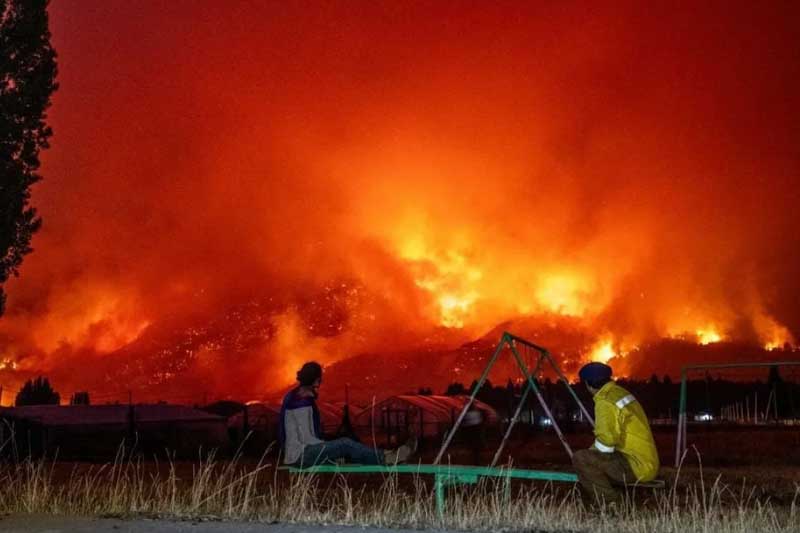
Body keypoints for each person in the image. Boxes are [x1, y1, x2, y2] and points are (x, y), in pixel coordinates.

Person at [279, 361, 416, 467]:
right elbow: (307, 439)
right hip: (300, 455)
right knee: (345, 444)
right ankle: (387, 458)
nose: (319, 384)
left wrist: (330, 450)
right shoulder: (300, 402)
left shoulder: (295, 396)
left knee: (344, 445)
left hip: (299, 453)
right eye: (319, 380)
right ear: (315, 380)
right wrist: (330, 449)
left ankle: (386, 454)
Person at [572, 362, 659, 505]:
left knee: (581, 459)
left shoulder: (605, 401)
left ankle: (612, 505)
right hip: (647, 461)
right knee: (589, 457)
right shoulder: (620, 393)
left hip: (635, 465)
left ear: (588, 384)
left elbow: (606, 442)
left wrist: (590, 458)